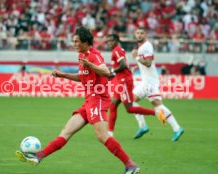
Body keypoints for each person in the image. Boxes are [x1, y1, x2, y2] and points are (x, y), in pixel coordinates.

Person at [15, 27, 141, 174]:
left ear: (86, 42)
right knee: (66, 132)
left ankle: (130, 165)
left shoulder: (94, 55)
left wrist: (91, 65)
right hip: (89, 100)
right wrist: (63, 74)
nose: (74, 44)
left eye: (77, 41)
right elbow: (83, 76)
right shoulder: (81, 55)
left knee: (102, 135)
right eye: (73, 41)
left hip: (98, 99)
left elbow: (106, 72)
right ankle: (39, 156)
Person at [105, 34, 165, 137]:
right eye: (108, 41)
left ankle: (157, 113)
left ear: (117, 41)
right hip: (119, 81)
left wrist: (112, 70)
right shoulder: (117, 50)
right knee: (113, 105)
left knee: (129, 108)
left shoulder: (117, 50)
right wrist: (113, 74)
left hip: (123, 81)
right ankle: (110, 133)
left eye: (111, 41)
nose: (109, 43)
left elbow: (123, 65)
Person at [131, 28, 184, 142]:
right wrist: (137, 65)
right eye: (138, 33)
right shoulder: (141, 47)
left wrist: (136, 57)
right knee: (131, 100)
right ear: (135, 35)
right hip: (146, 81)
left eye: (142, 33)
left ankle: (177, 128)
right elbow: (145, 62)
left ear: (145, 35)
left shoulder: (147, 46)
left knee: (158, 106)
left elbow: (149, 63)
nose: (139, 35)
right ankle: (143, 126)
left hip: (150, 82)